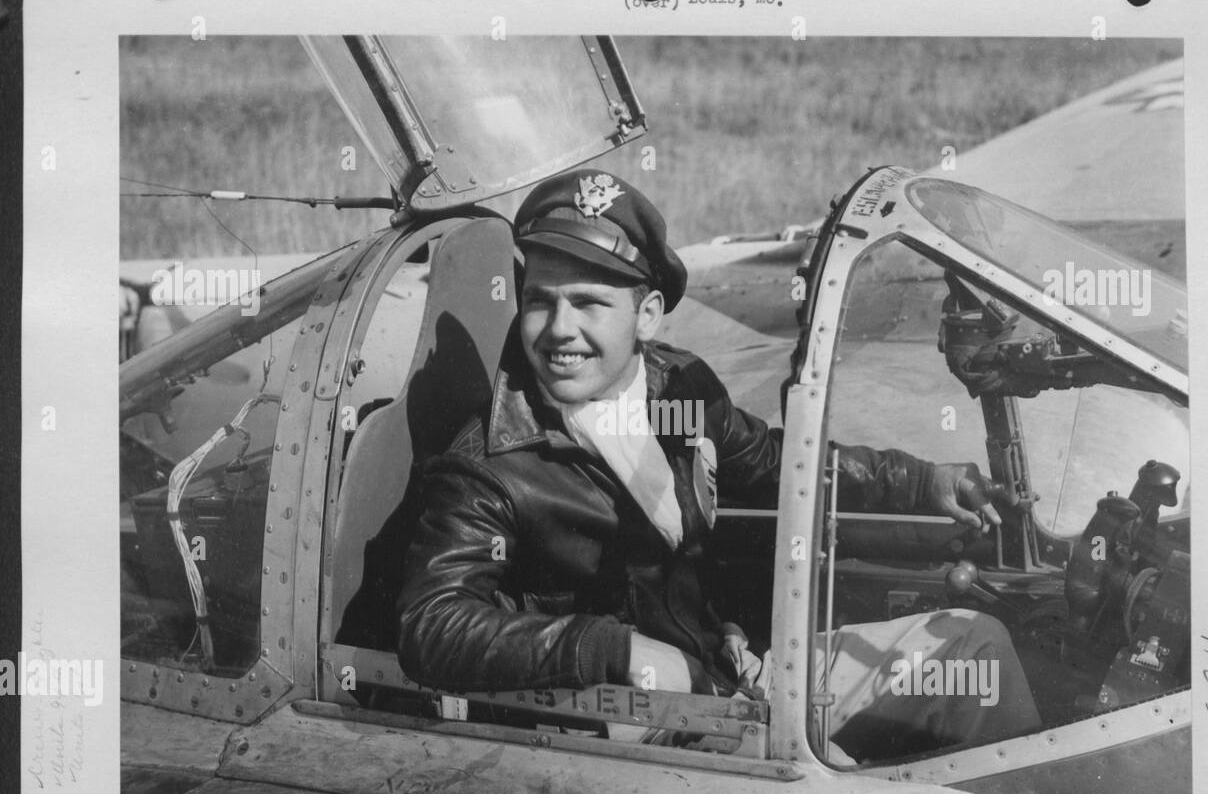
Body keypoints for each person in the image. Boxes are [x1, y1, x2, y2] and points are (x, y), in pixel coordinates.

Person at [397, 169, 1040, 761]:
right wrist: (610, 649)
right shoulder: (492, 464)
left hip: (730, 674)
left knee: (974, 650)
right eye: (541, 300)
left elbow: (774, 467)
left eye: (589, 304)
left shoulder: (677, 395)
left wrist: (918, 482)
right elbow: (431, 624)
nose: (559, 330)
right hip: (635, 730)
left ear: (646, 315)